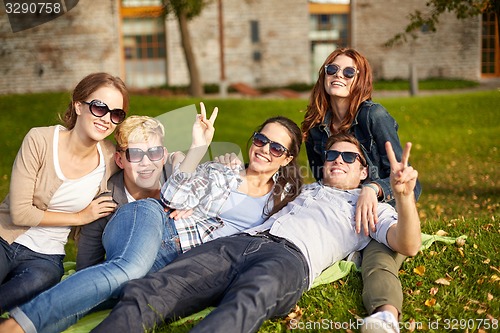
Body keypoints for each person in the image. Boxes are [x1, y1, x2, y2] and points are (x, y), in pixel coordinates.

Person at [88, 133, 421, 333]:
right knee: (155, 289)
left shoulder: (369, 206)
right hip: (239, 243)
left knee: (245, 303)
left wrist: (403, 196)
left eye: (350, 157)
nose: (338, 160)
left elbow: (408, 243)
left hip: (290, 260)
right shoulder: (300, 189)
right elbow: (247, 188)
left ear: (363, 170)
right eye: (333, 154)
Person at [0, 114, 304, 333]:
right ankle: (18, 325)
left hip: (184, 260)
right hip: (153, 220)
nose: (265, 149)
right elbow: (172, 194)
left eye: (276, 148)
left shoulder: (283, 199)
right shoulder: (223, 171)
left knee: (110, 295)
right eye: (261, 140)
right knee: (127, 270)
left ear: (288, 158)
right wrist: (199, 146)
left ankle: (27, 320)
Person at [301, 47, 422, 331]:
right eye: (332, 69)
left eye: (348, 72)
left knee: (378, 262)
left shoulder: (373, 117)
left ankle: (384, 318)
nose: (338, 76)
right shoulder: (316, 126)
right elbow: (322, 178)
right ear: (323, 76)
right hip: (339, 211)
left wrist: (374, 188)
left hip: (381, 213)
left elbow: (410, 187)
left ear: (360, 80)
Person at [0, 72, 128, 314]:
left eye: (116, 113)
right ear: (78, 105)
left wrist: (198, 148)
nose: (107, 119)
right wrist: (80, 217)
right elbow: (20, 213)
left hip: (46, 258)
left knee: (27, 288)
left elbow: (147, 165)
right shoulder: (40, 139)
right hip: (4, 236)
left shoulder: (111, 157)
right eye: (100, 107)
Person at [76, 115, 184, 270]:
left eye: (154, 152)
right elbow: (87, 266)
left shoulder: (178, 181)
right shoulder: (105, 204)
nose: (146, 163)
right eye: (135, 154)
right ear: (120, 160)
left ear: (163, 155)